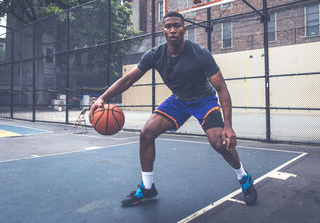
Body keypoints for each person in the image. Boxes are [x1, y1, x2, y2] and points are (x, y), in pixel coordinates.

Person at [89, 11, 257, 206]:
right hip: (179, 100)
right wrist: (103, 97)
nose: (172, 30)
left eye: (177, 25)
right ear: (164, 30)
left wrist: (228, 125)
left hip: (204, 101)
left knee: (219, 143)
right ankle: (148, 187)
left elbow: (221, 89)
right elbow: (128, 79)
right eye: (168, 26)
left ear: (184, 29)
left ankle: (244, 178)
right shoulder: (155, 54)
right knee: (146, 133)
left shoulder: (200, 54)